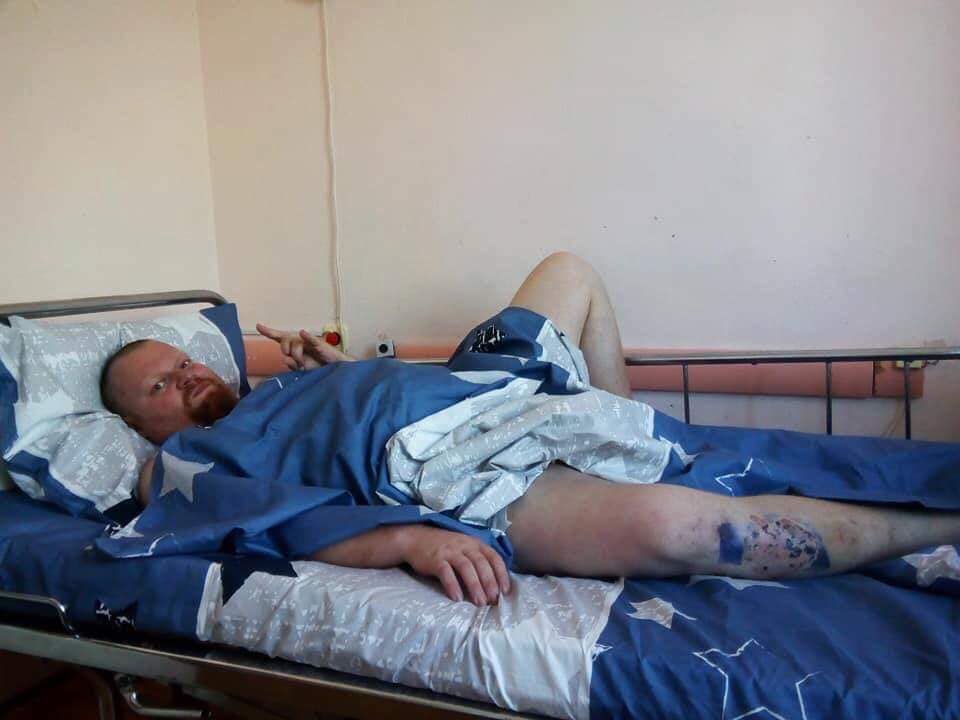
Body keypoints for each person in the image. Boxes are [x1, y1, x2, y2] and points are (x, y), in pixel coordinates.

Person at [100, 252, 960, 607]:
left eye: (185, 360)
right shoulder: (182, 462)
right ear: (139, 423)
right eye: (161, 385)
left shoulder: (281, 382)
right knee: (684, 530)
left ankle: (624, 429)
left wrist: (333, 367)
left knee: (568, 270)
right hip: (452, 464)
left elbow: (364, 392)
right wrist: (407, 538)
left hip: (479, 382)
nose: (190, 374)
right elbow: (267, 521)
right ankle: (941, 530)